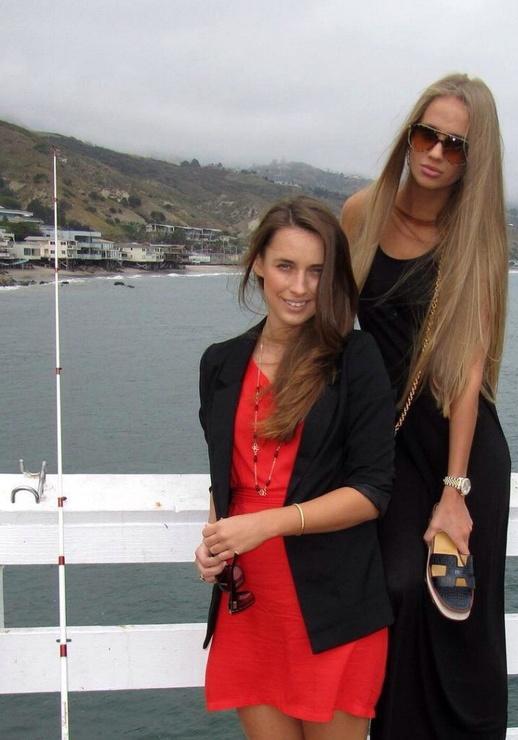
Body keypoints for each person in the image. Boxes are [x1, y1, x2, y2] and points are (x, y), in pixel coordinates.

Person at [341, 73, 511, 739]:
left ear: (474, 158)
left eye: (455, 144)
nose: (436, 152)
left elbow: (469, 372)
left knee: (457, 619)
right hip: (384, 440)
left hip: (457, 445)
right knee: (395, 588)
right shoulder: (362, 212)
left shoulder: (476, 239)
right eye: (426, 135)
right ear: (408, 135)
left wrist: (455, 490)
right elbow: (329, 330)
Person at [194, 196, 396, 740]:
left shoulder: (355, 358)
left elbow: (372, 491)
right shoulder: (219, 363)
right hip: (249, 604)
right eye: (286, 266)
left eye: (316, 271)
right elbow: (226, 476)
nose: (300, 287)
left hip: (335, 606)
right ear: (259, 262)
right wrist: (213, 541)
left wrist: (267, 524)